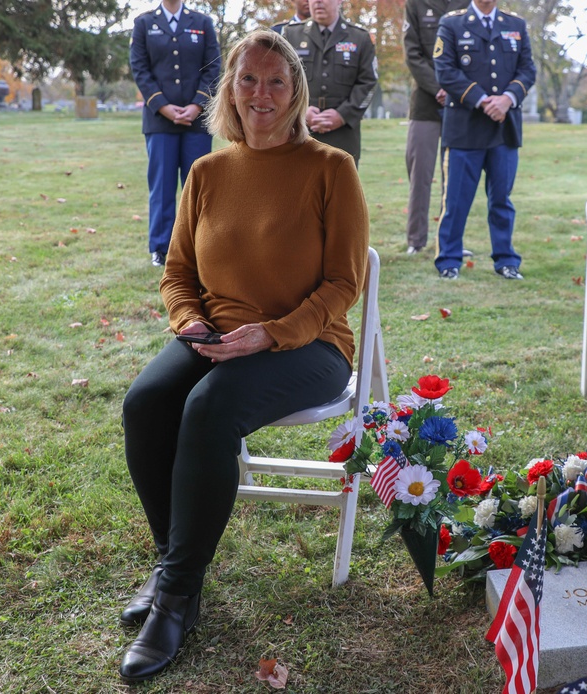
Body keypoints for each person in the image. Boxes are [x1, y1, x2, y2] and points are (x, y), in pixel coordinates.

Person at [117, 29, 369, 683]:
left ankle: (174, 599)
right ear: (230, 87)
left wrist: (274, 332)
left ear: (295, 92)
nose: (261, 93)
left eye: (276, 81)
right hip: (216, 333)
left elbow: (345, 284)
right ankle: (179, 562)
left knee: (208, 409)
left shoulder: (330, 169)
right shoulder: (206, 171)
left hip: (310, 345)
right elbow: (176, 274)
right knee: (146, 403)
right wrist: (190, 321)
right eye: (248, 79)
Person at [432, 0, 535, 280]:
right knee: (456, 200)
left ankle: (506, 260)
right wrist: (481, 100)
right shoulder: (451, 23)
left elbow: (528, 71)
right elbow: (445, 70)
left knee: (501, 199)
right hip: (464, 129)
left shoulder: (516, 26)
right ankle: (449, 261)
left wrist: (507, 98)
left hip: (504, 128)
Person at [130, 0, 220, 267]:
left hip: (197, 120)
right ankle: (161, 247)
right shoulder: (144, 23)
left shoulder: (202, 23)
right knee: (162, 187)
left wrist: (196, 105)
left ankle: (201, 245)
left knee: (200, 187)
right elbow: (140, 69)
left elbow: (213, 67)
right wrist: (162, 106)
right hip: (160, 121)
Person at [401, 0, 470, 255]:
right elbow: (412, 53)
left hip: (462, 101)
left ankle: (450, 243)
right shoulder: (416, 4)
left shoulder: (470, 4)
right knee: (420, 174)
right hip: (425, 103)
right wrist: (438, 87)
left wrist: (457, 89)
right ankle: (416, 241)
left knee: (456, 176)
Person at [277, 0, 377, 166]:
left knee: (341, 189)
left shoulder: (360, 38)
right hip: (299, 131)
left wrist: (343, 115)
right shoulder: (291, 34)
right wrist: (299, 112)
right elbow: (280, 80)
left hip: (343, 135)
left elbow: (368, 83)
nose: (318, 2)